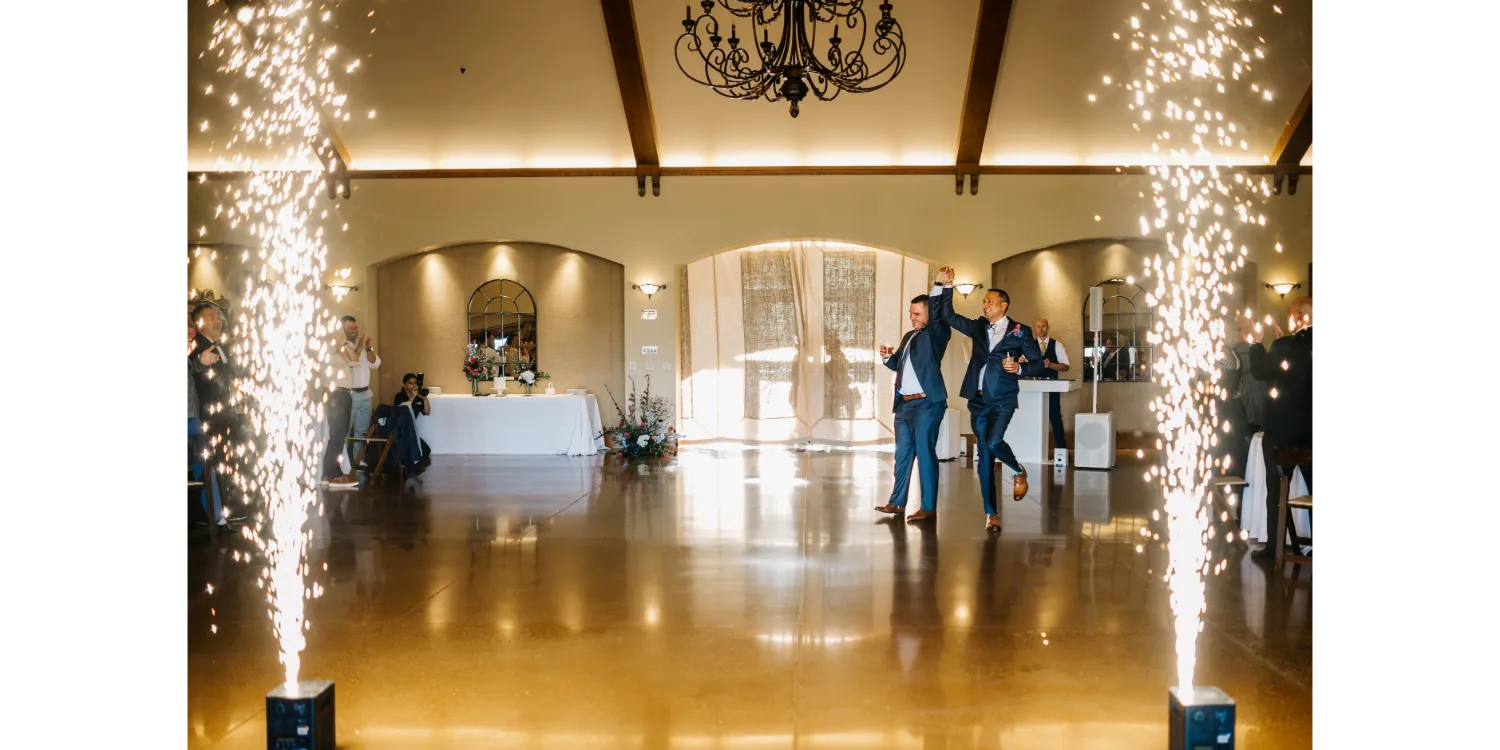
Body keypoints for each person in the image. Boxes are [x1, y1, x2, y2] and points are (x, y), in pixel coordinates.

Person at [932, 267, 1045, 533]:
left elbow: (1039, 363)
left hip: (1003, 399)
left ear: (1003, 305)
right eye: (984, 301)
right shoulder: (978, 326)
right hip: (978, 400)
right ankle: (991, 513)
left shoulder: (1020, 331)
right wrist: (946, 286)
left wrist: (1020, 368)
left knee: (994, 442)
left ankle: (1018, 470)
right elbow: (948, 316)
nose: (985, 305)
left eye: (990, 301)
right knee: (984, 457)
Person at [1246, 297, 1318, 560]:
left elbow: (1259, 370)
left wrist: (1257, 343)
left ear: (1298, 317)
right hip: (1313, 432)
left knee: (1276, 489)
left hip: (1282, 432)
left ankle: (1273, 548)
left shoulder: (1283, 345)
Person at [873, 293, 952, 523]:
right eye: (910, 313)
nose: (912, 317)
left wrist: (941, 286)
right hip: (904, 404)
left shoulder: (937, 333)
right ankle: (897, 503)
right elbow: (897, 363)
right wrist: (887, 358)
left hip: (927, 403)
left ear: (930, 315)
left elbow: (939, 314)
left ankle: (928, 508)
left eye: (917, 313)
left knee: (925, 454)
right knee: (902, 455)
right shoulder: (909, 336)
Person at [322, 315, 381, 490]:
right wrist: (346, 344)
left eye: (355, 328)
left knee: (339, 434)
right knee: (338, 434)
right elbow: (353, 360)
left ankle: (331, 473)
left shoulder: (343, 346)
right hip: (335, 392)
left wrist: (362, 345)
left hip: (342, 392)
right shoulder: (330, 345)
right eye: (349, 328)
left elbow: (354, 359)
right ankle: (333, 474)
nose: (353, 331)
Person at [184, 312, 225, 527]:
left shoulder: (190, 347)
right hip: (191, 417)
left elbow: (191, 371)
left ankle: (216, 516)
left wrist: (199, 361)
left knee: (204, 461)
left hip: (191, 416)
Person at [1032, 318, 1071, 451]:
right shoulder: (1030, 345)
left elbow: (1065, 366)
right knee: (1033, 417)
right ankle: (1033, 450)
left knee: (1055, 416)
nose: (1041, 329)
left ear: (1048, 327)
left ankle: (1062, 451)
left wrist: (1051, 365)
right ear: (1035, 328)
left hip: (1052, 386)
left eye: (1043, 326)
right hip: (1034, 387)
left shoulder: (1056, 345)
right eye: (1038, 326)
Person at [393, 373, 434, 462]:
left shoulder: (419, 398)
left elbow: (427, 412)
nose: (413, 385)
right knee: (408, 449)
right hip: (400, 428)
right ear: (404, 385)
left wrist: (424, 399)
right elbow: (401, 411)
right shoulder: (399, 396)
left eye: (415, 383)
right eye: (410, 383)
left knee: (426, 451)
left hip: (411, 428)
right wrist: (412, 397)